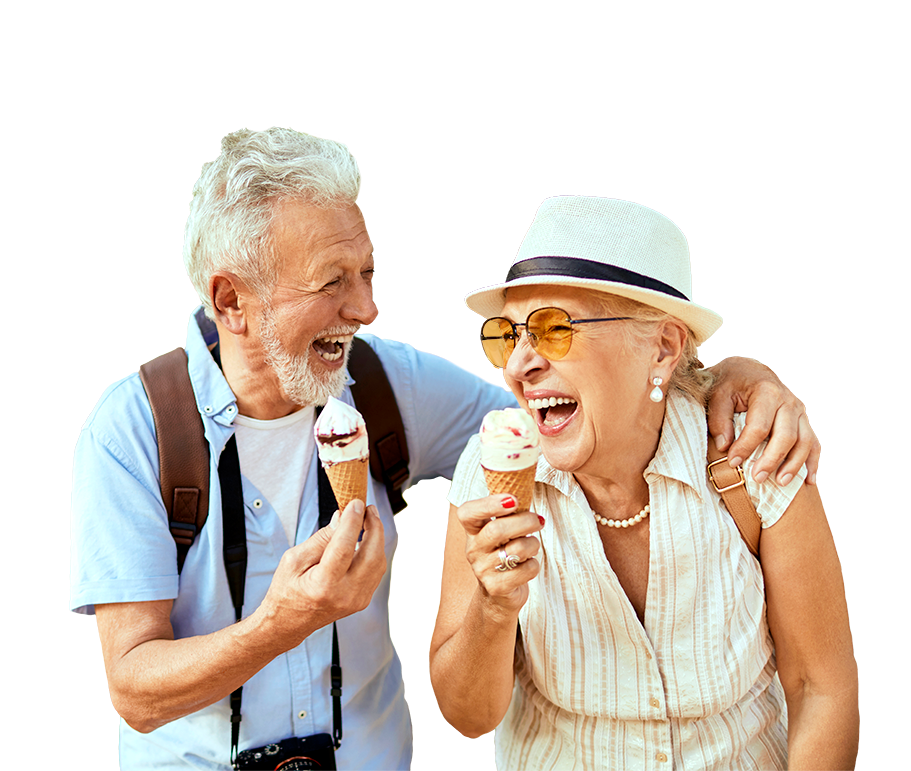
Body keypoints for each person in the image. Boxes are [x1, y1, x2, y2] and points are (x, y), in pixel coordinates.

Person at [69, 129, 821, 771]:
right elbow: (135, 688)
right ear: (230, 299)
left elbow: (576, 410)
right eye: (333, 281)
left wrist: (732, 378)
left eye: (365, 271)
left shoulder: (388, 383)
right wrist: (286, 619)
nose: (364, 308)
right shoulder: (134, 432)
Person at [430, 196, 858, 770]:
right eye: (506, 335)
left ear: (661, 347)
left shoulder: (754, 453)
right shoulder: (491, 468)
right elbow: (469, 716)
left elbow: (822, 689)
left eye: (555, 328)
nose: (518, 364)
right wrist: (493, 607)